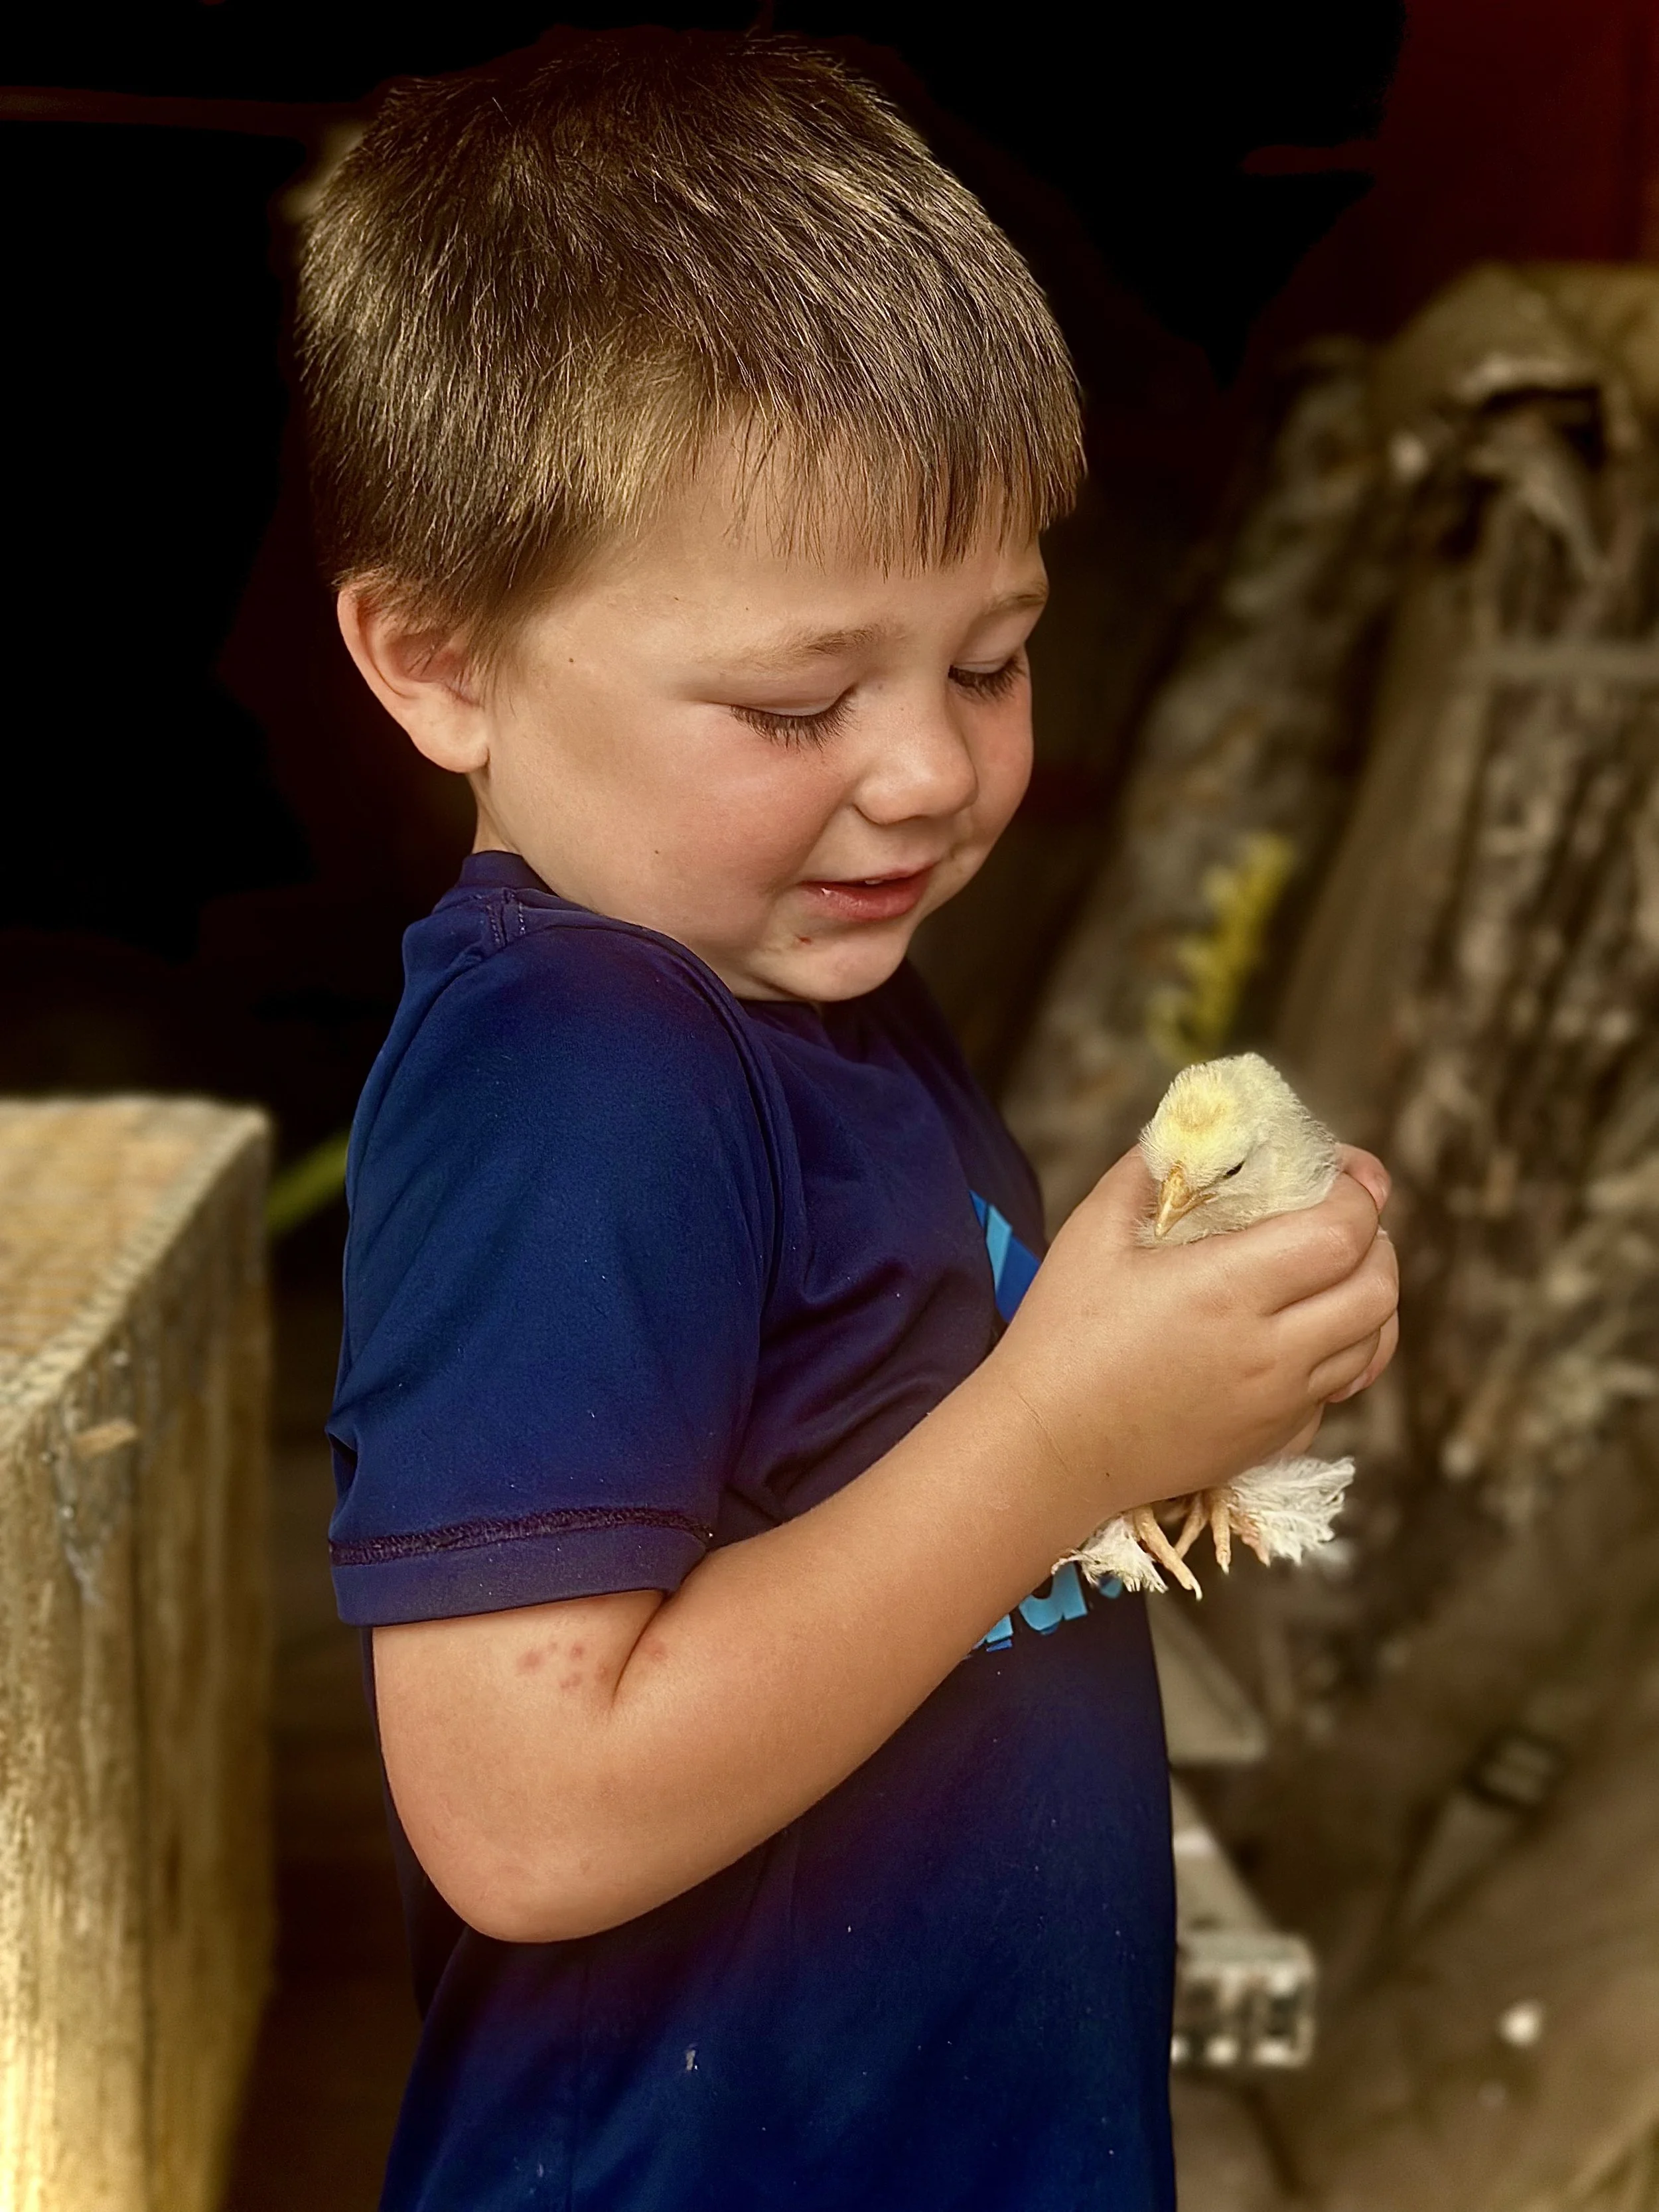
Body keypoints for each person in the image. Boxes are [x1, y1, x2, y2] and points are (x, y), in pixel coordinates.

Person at [305, 30, 1398, 2210]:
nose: (924, 770)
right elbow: (529, 1811)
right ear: (439, 663)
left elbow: (870, 1497)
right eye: (801, 701)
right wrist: (1057, 1436)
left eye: (988, 659)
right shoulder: (579, 1080)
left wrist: (1172, 1399)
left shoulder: (804, 992)